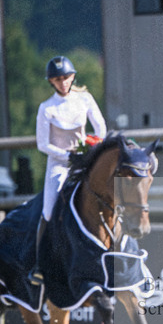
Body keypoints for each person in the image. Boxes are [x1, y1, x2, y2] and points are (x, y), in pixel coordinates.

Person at [29, 56, 106, 284]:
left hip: (86, 160)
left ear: (73, 77)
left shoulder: (85, 99)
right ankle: (40, 263)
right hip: (60, 163)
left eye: (66, 78)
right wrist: (68, 155)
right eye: (58, 79)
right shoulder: (46, 108)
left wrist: (93, 147)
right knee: (50, 210)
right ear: (51, 82)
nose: (63, 82)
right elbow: (43, 145)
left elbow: (100, 128)